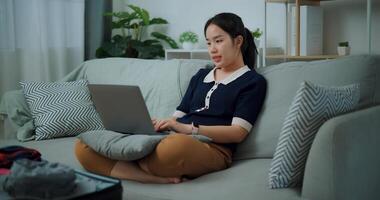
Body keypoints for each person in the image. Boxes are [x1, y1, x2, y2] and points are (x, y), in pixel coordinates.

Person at [74, 12, 267, 184]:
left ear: (238, 41)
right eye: (208, 43)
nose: (212, 49)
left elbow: (238, 133)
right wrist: (159, 124)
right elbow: (177, 116)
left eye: (218, 41)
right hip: (172, 138)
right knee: (85, 145)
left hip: (212, 148)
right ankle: (152, 176)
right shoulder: (201, 76)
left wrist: (189, 129)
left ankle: (135, 160)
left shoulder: (252, 82)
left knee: (172, 149)